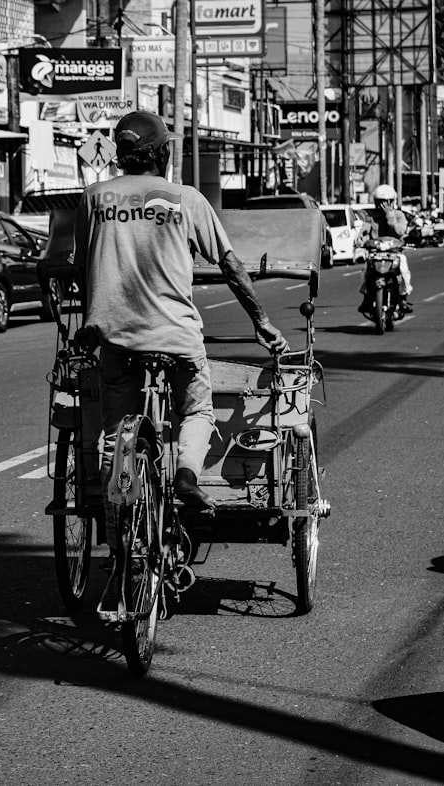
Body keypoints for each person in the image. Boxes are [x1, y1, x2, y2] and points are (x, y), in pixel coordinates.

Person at [72, 110, 288, 555]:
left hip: (115, 338)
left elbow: (82, 269)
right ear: (164, 153)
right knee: (196, 412)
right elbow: (229, 265)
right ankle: (187, 475)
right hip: (176, 339)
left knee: (114, 435)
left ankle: (118, 547)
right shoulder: (187, 199)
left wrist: (89, 327)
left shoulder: (93, 198)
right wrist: (262, 322)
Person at [358, 183, 413, 318]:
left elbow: (400, 231)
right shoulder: (371, 217)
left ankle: (403, 298)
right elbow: (364, 232)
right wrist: (360, 239)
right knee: (365, 271)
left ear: (392, 202)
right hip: (376, 253)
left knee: (404, 271)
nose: (384, 205)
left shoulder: (399, 215)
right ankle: (366, 298)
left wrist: (390, 216)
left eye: (387, 202)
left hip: (394, 253)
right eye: (381, 202)